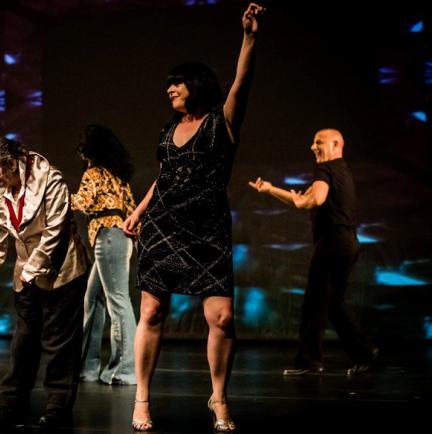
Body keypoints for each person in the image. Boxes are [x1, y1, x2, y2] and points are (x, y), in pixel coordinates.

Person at [123, 3, 265, 432]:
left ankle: (218, 397)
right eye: (169, 85)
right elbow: (165, 176)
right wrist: (139, 211)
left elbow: (242, 82)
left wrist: (250, 37)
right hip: (163, 227)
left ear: (197, 85)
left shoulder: (222, 122)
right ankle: (142, 398)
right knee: (152, 312)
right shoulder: (168, 130)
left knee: (222, 318)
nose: (170, 90)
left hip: (207, 230)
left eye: (177, 84)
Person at [0, 137, 88, 428]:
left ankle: (58, 407)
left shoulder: (51, 180)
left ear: (12, 165)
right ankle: (11, 404)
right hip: (26, 274)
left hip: (61, 270)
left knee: (59, 343)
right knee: (23, 342)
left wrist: (32, 269)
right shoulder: (2, 185)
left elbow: (55, 231)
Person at [248, 128, 378, 376]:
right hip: (347, 244)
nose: (312, 147)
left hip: (332, 244)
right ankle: (364, 351)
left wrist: (305, 201)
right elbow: (304, 199)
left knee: (314, 304)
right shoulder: (341, 172)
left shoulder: (325, 170)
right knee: (333, 303)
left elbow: (314, 199)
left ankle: (309, 362)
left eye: (319, 142)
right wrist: (270, 189)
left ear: (336, 144)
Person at [71, 124, 138, 385]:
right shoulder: (118, 176)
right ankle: (87, 368)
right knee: (94, 299)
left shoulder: (94, 173)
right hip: (119, 237)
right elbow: (132, 210)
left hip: (108, 236)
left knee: (117, 301)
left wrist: (55, 196)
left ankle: (126, 369)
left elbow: (83, 202)